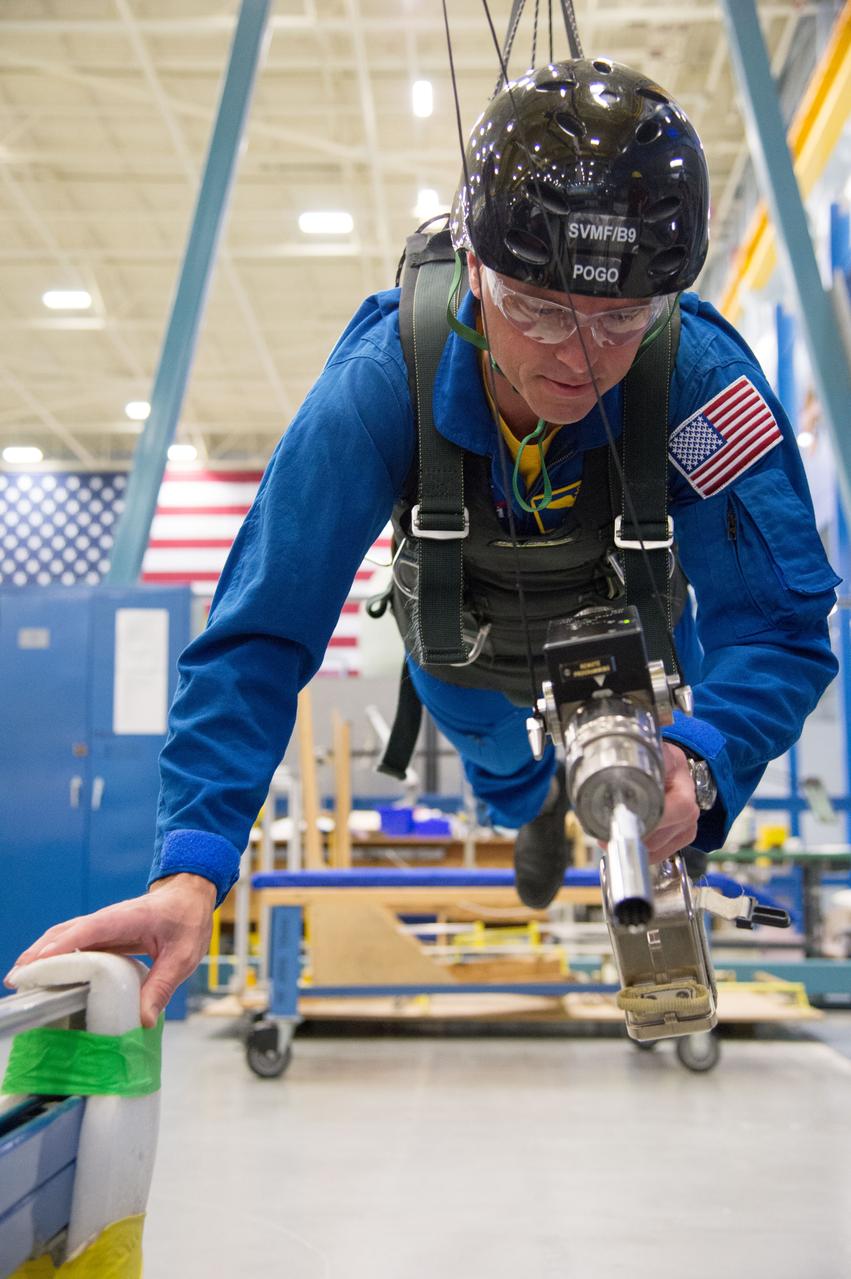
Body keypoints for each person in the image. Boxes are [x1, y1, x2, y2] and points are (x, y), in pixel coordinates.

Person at [7, 59, 839, 1027]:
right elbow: (258, 636)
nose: (580, 357)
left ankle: (636, 794)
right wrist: (191, 870)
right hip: (467, 653)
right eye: (537, 309)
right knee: (501, 770)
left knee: (663, 792)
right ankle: (528, 806)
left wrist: (700, 759)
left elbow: (777, 629)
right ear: (474, 268)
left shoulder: (694, 382)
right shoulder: (380, 385)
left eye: (620, 320)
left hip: (639, 650)